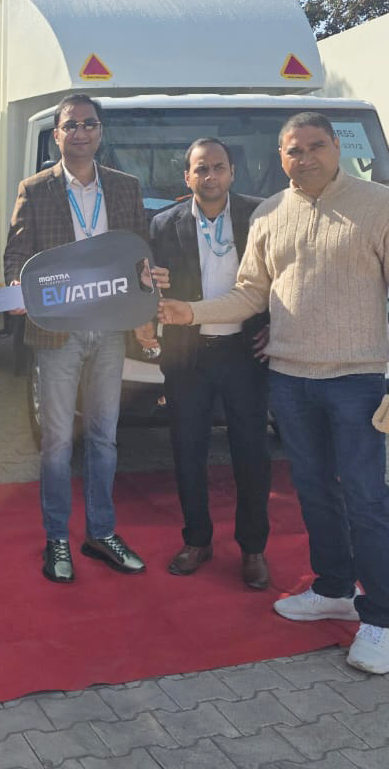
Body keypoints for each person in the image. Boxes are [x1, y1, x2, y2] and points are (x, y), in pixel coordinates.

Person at [158, 112, 389, 676]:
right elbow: (248, 294)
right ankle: (333, 587)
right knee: (313, 491)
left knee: (365, 498)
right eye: (293, 150)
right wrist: (190, 312)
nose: (304, 158)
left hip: (355, 380)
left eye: (315, 146)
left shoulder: (382, 206)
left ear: (336, 148)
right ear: (279, 157)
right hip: (288, 379)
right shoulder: (269, 213)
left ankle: (380, 618)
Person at [3, 93, 164, 585]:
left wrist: (148, 291)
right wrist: (17, 287)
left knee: (103, 437)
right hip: (58, 330)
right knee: (56, 442)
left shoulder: (125, 187)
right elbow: (17, 255)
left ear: (100, 132)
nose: (80, 132)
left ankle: (101, 532)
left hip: (111, 329)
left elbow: (139, 254)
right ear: (57, 134)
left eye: (89, 124)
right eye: (71, 125)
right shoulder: (35, 189)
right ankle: (56, 537)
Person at [149, 138, 272, 590]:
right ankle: (197, 540)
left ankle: (253, 549)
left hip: (245, 352)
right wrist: (149, 285)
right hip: (187, 355)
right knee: (188, 451)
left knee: (251, 454)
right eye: (201, 169)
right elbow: (148, 285)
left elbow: (283, 279)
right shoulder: (163, 224)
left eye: (218, 167)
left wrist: (275, 327)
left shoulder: (260, 216)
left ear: (232, 171)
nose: (210, 176)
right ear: (187, 177)